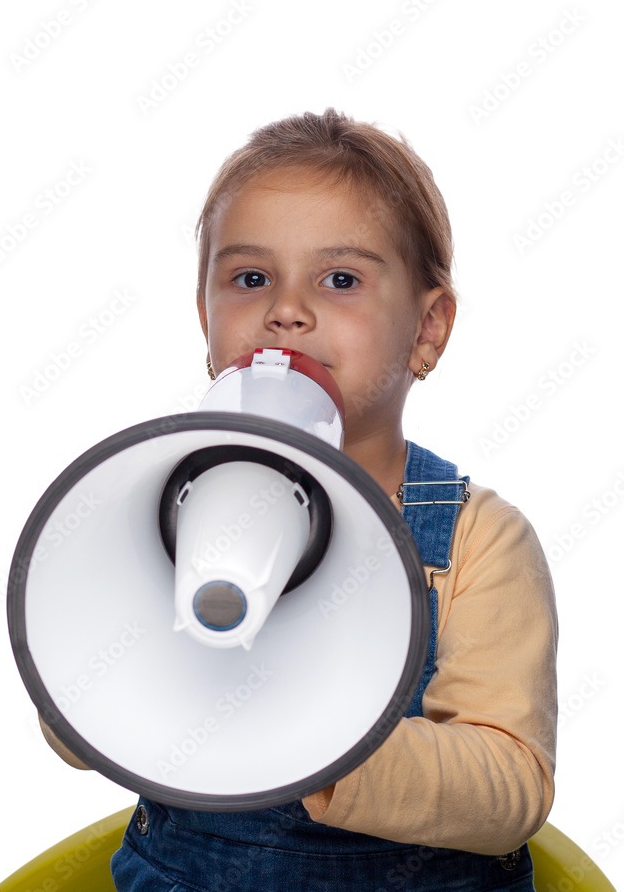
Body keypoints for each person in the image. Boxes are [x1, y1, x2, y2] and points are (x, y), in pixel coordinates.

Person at [43, 108, 558, 891]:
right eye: (250, 279)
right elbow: (77, 728)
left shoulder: (476, 541)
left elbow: (510, 786)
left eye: (340, 279)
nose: (286, 309)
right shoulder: (151, 504)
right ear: (207, 322)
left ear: (428, 330)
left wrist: (315, 739)